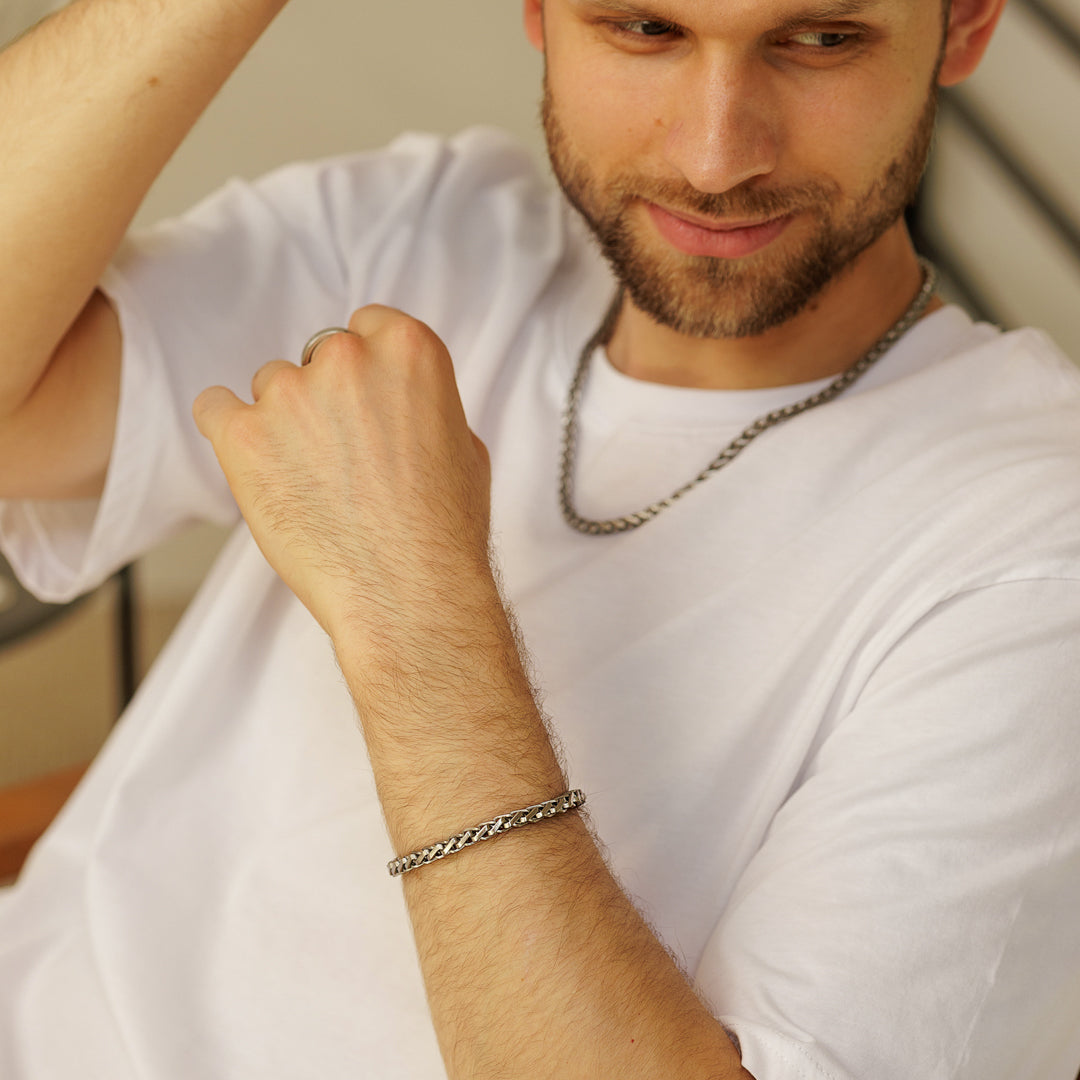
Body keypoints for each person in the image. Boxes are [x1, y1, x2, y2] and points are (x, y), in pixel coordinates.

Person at [1, 0, 1079, 1076]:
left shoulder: (1036, 543)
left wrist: (415, 615)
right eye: (644, 30)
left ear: (967, 25)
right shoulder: (431, 231)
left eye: (821, 40)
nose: (714, 158)